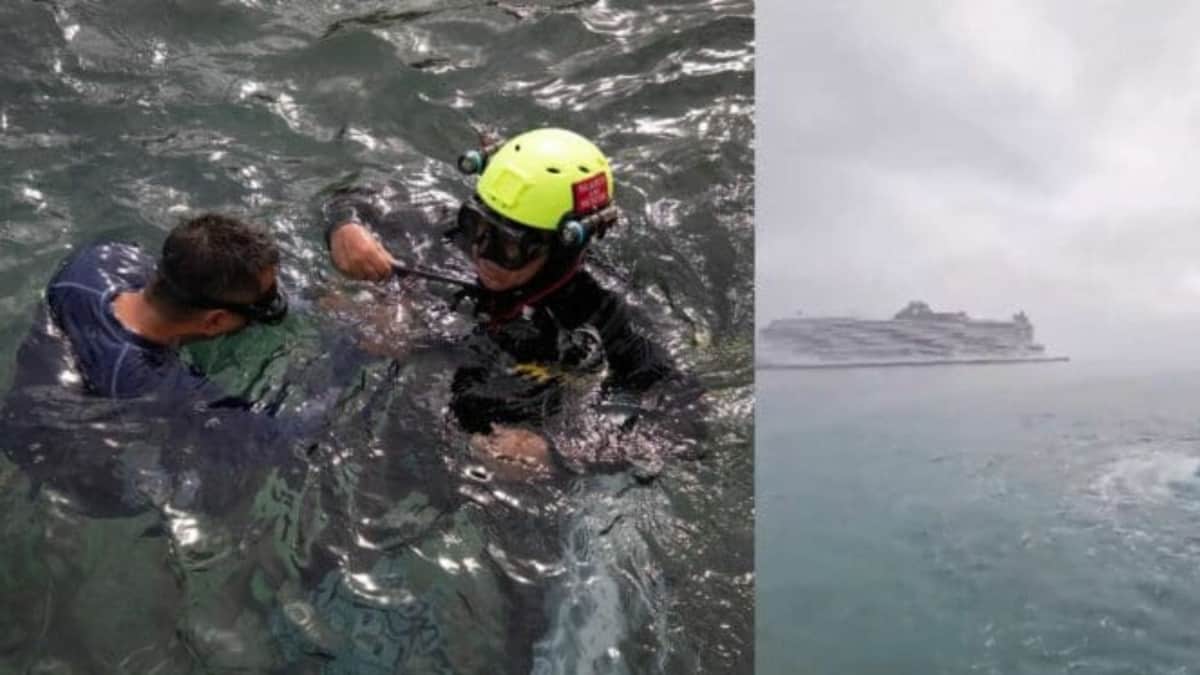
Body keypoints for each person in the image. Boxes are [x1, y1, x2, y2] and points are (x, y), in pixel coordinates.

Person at [320, 127, 700, 476]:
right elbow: (351, 196)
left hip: (516, 446)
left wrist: (559, 455)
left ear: (561, 249)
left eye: (508, 245)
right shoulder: (446, 234)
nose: (482, 252)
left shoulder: (605, 312)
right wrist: (345, 229)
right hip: (413, 411)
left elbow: (687, 424)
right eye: (476, 225)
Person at [1, 213, 303, 516]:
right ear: (215, 321)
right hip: (66, 456)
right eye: (264, 301)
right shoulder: (148, 383)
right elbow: (279, 438)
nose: (275, 301)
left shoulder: (101, 260)